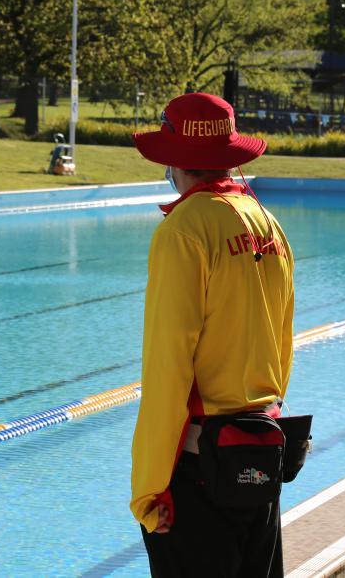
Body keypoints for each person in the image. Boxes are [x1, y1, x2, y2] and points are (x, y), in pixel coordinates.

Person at [129, 92, 297, 578]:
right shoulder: (266, 223)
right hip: (260, 451)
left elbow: (169, 363)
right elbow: (281, 345)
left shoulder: (184, 229)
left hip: (198, 470)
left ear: (175, 158)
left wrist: (149, 486)